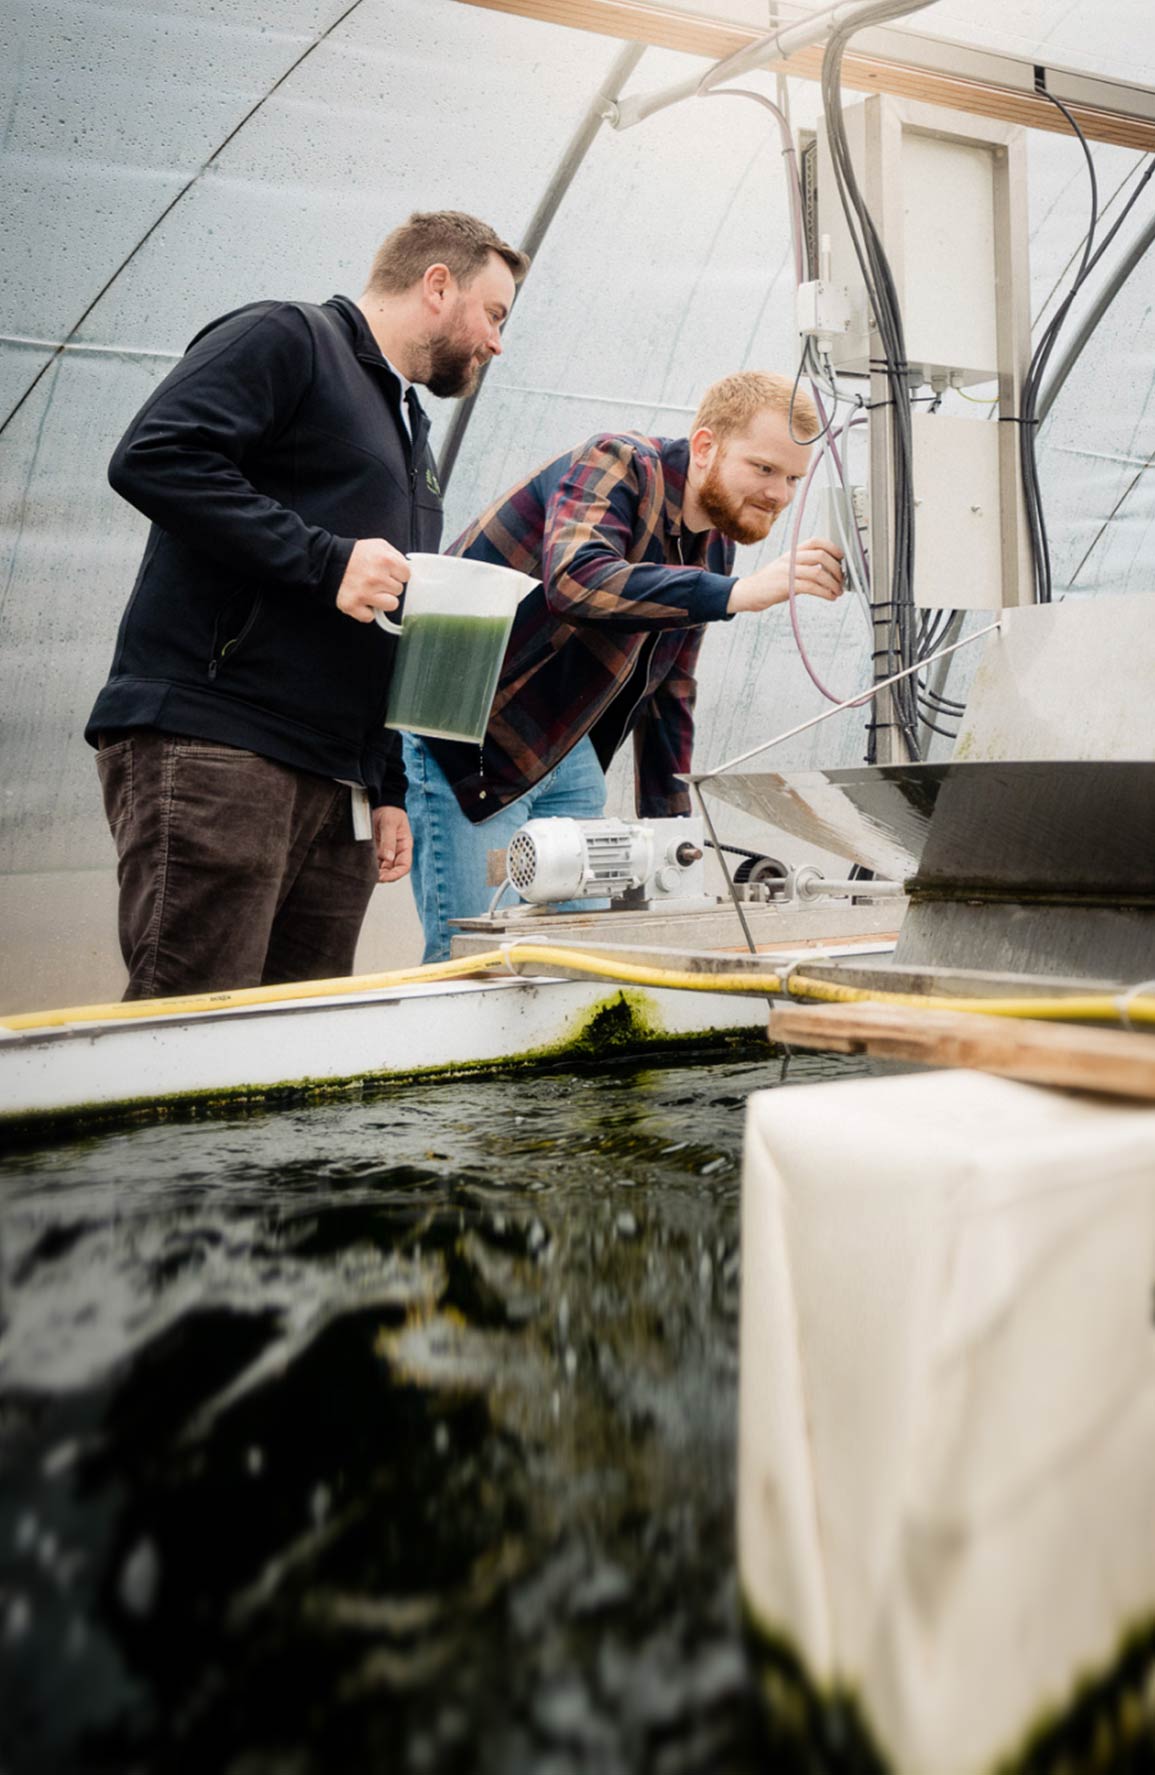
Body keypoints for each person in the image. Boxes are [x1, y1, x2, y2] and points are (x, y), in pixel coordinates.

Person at [87, 210, 528, 1000]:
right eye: (493, 314)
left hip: (339, 785)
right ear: (436, 285)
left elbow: (389, 619)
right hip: (221, 744)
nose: (497, 341)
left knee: (300, 1046)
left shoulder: (410, 432)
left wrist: (385, 785)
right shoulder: (289, 337)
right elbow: (154, 455)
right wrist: (326, 561)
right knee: (192, 1022)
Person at [404, 371, 844, 962]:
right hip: (467, 733)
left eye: (792, 477)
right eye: (764, 469)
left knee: (578, 959)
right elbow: (575, 579)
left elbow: (671, 687)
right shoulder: (618, 462)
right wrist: (738, 593)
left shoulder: (713, 543)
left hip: (564, 748)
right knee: (476, 960)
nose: (779, 494)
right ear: (707, 446)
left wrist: (674, 832)